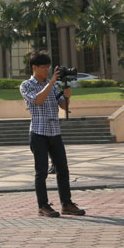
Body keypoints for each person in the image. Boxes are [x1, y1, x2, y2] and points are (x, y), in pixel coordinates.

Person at [20, 50, 86, 218]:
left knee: (63, 169)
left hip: (55, 132)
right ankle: (43, 206)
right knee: (41, 172)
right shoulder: (26, 85)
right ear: (34, 67)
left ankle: (66, 204)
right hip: (38, 132)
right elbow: (38, 100)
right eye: (44, 67)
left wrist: (67, 96)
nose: (47, 71)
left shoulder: (54, 83)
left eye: (49, 67)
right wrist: (52, 83)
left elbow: (63, 106)